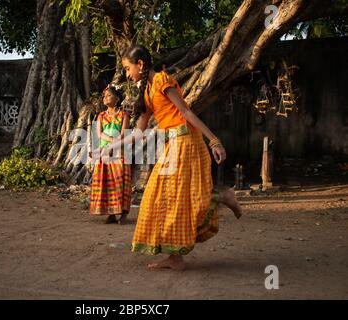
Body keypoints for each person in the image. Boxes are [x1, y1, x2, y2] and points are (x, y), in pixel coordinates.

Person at [95, 45, 242, 270]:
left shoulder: (163, 80)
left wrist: (214, 140)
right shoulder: (145, 92)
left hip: (186, 142)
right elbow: (138, 133)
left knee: (181, 198)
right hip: (170, 145)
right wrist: (111, 147)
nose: (126, 74)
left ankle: (224, 198)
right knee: (160, 198)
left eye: (127, 68)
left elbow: (186, 112)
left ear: (140, 64)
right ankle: (175, 257)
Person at [90, 84, 131, 225]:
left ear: (117, 98)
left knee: (120, 181)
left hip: (119, 151)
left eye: (109, 95)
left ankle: (123, 213)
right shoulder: (101, 116)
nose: (105, 98)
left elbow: (124, 134)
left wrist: (116, 144)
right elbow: (99, 133)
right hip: (105, 152)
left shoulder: (124, 115)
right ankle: (112, 213)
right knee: (107, 183)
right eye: (104, 96)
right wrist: (111, 142)